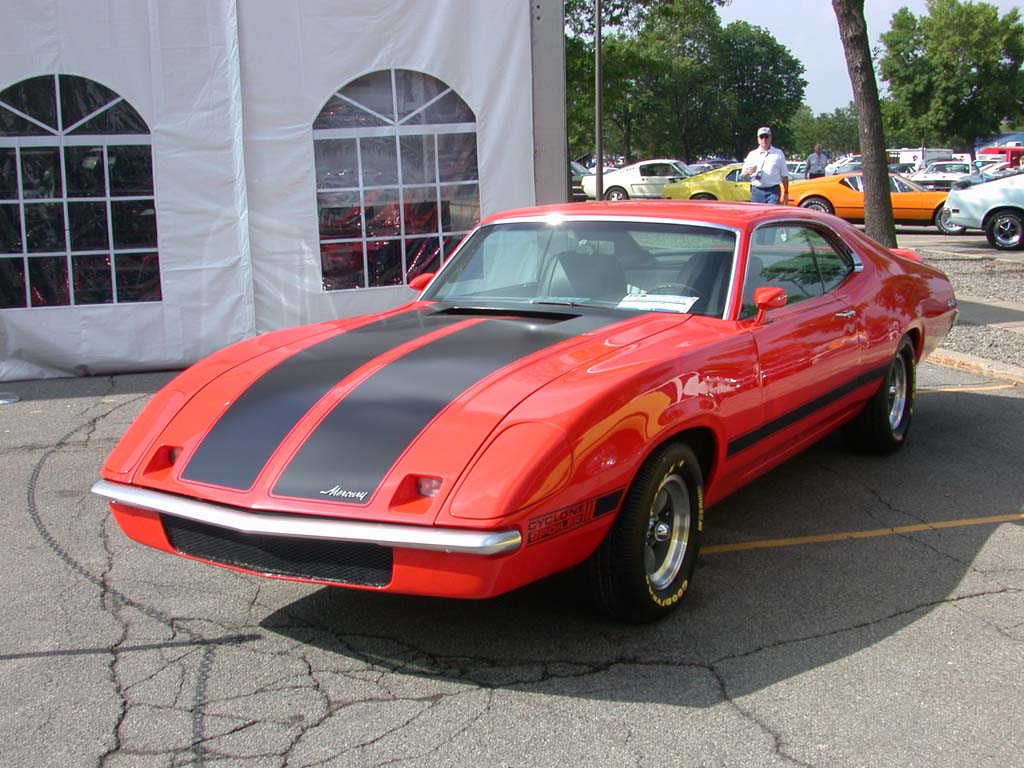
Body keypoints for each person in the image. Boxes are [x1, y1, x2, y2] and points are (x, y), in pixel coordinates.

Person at [741, 127, 789, 204]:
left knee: (771, 214)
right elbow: (743, 176)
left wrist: (786, 193)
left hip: (773, 192)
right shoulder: (752, 154)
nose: (764, 139)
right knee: (758, 215)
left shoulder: (778, 154)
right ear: (758, 139)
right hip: (757, 191)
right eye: (761, 137)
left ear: (771, 138)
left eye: (766, 137)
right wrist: (747, 172)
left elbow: (784, 175)